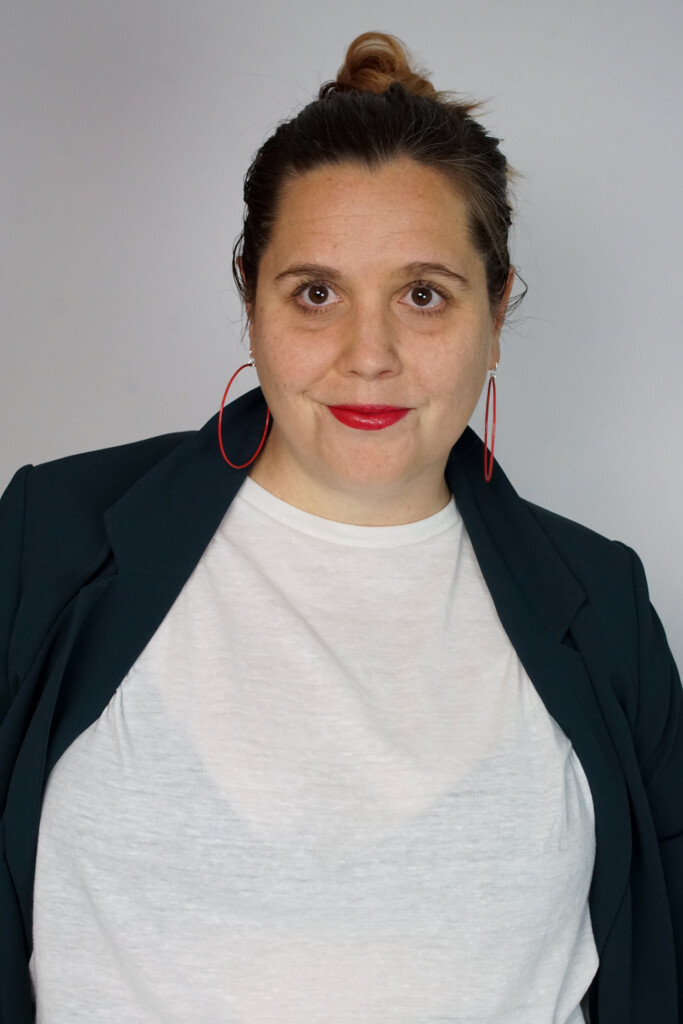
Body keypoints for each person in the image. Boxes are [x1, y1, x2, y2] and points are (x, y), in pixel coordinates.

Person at [0, 29, 680, 1024]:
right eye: (316, 293)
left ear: (494, 310)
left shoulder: (601, 604)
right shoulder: (50, 542)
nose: (369, 354)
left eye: (421, 294)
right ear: (249, 293)